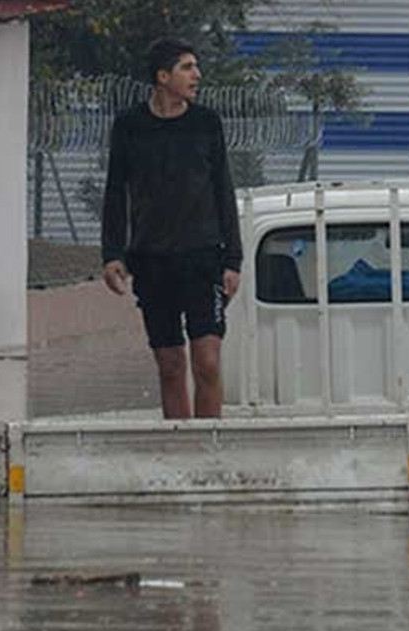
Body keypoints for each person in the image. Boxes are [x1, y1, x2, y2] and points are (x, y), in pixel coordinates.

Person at [100, 38, 242, 419]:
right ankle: (180, 452)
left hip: (204, 260)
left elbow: (223, 191)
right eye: (186, 67)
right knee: (171, 366)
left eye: (196, 66)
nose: (197, 75)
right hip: (152, 262)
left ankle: (209, 450)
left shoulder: (206, 123)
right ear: (162, 77)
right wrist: (112, 254)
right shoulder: (130, 126)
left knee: (208, 362)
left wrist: (234, 259)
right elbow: (116, 192)